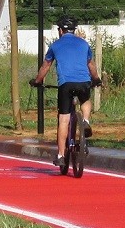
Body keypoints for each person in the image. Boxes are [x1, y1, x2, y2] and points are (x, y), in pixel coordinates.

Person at [30, 17, 100, 168]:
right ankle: (86, 121)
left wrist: (37, 81)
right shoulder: (83, 43)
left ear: (61, 31)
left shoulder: (55, 45)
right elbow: (91, 65)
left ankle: (61, 155)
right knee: (85, 101)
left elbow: (45, 67)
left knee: (63, 120)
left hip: (66, 84)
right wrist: (96, 79)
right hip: (83, 82)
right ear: (73, 31)